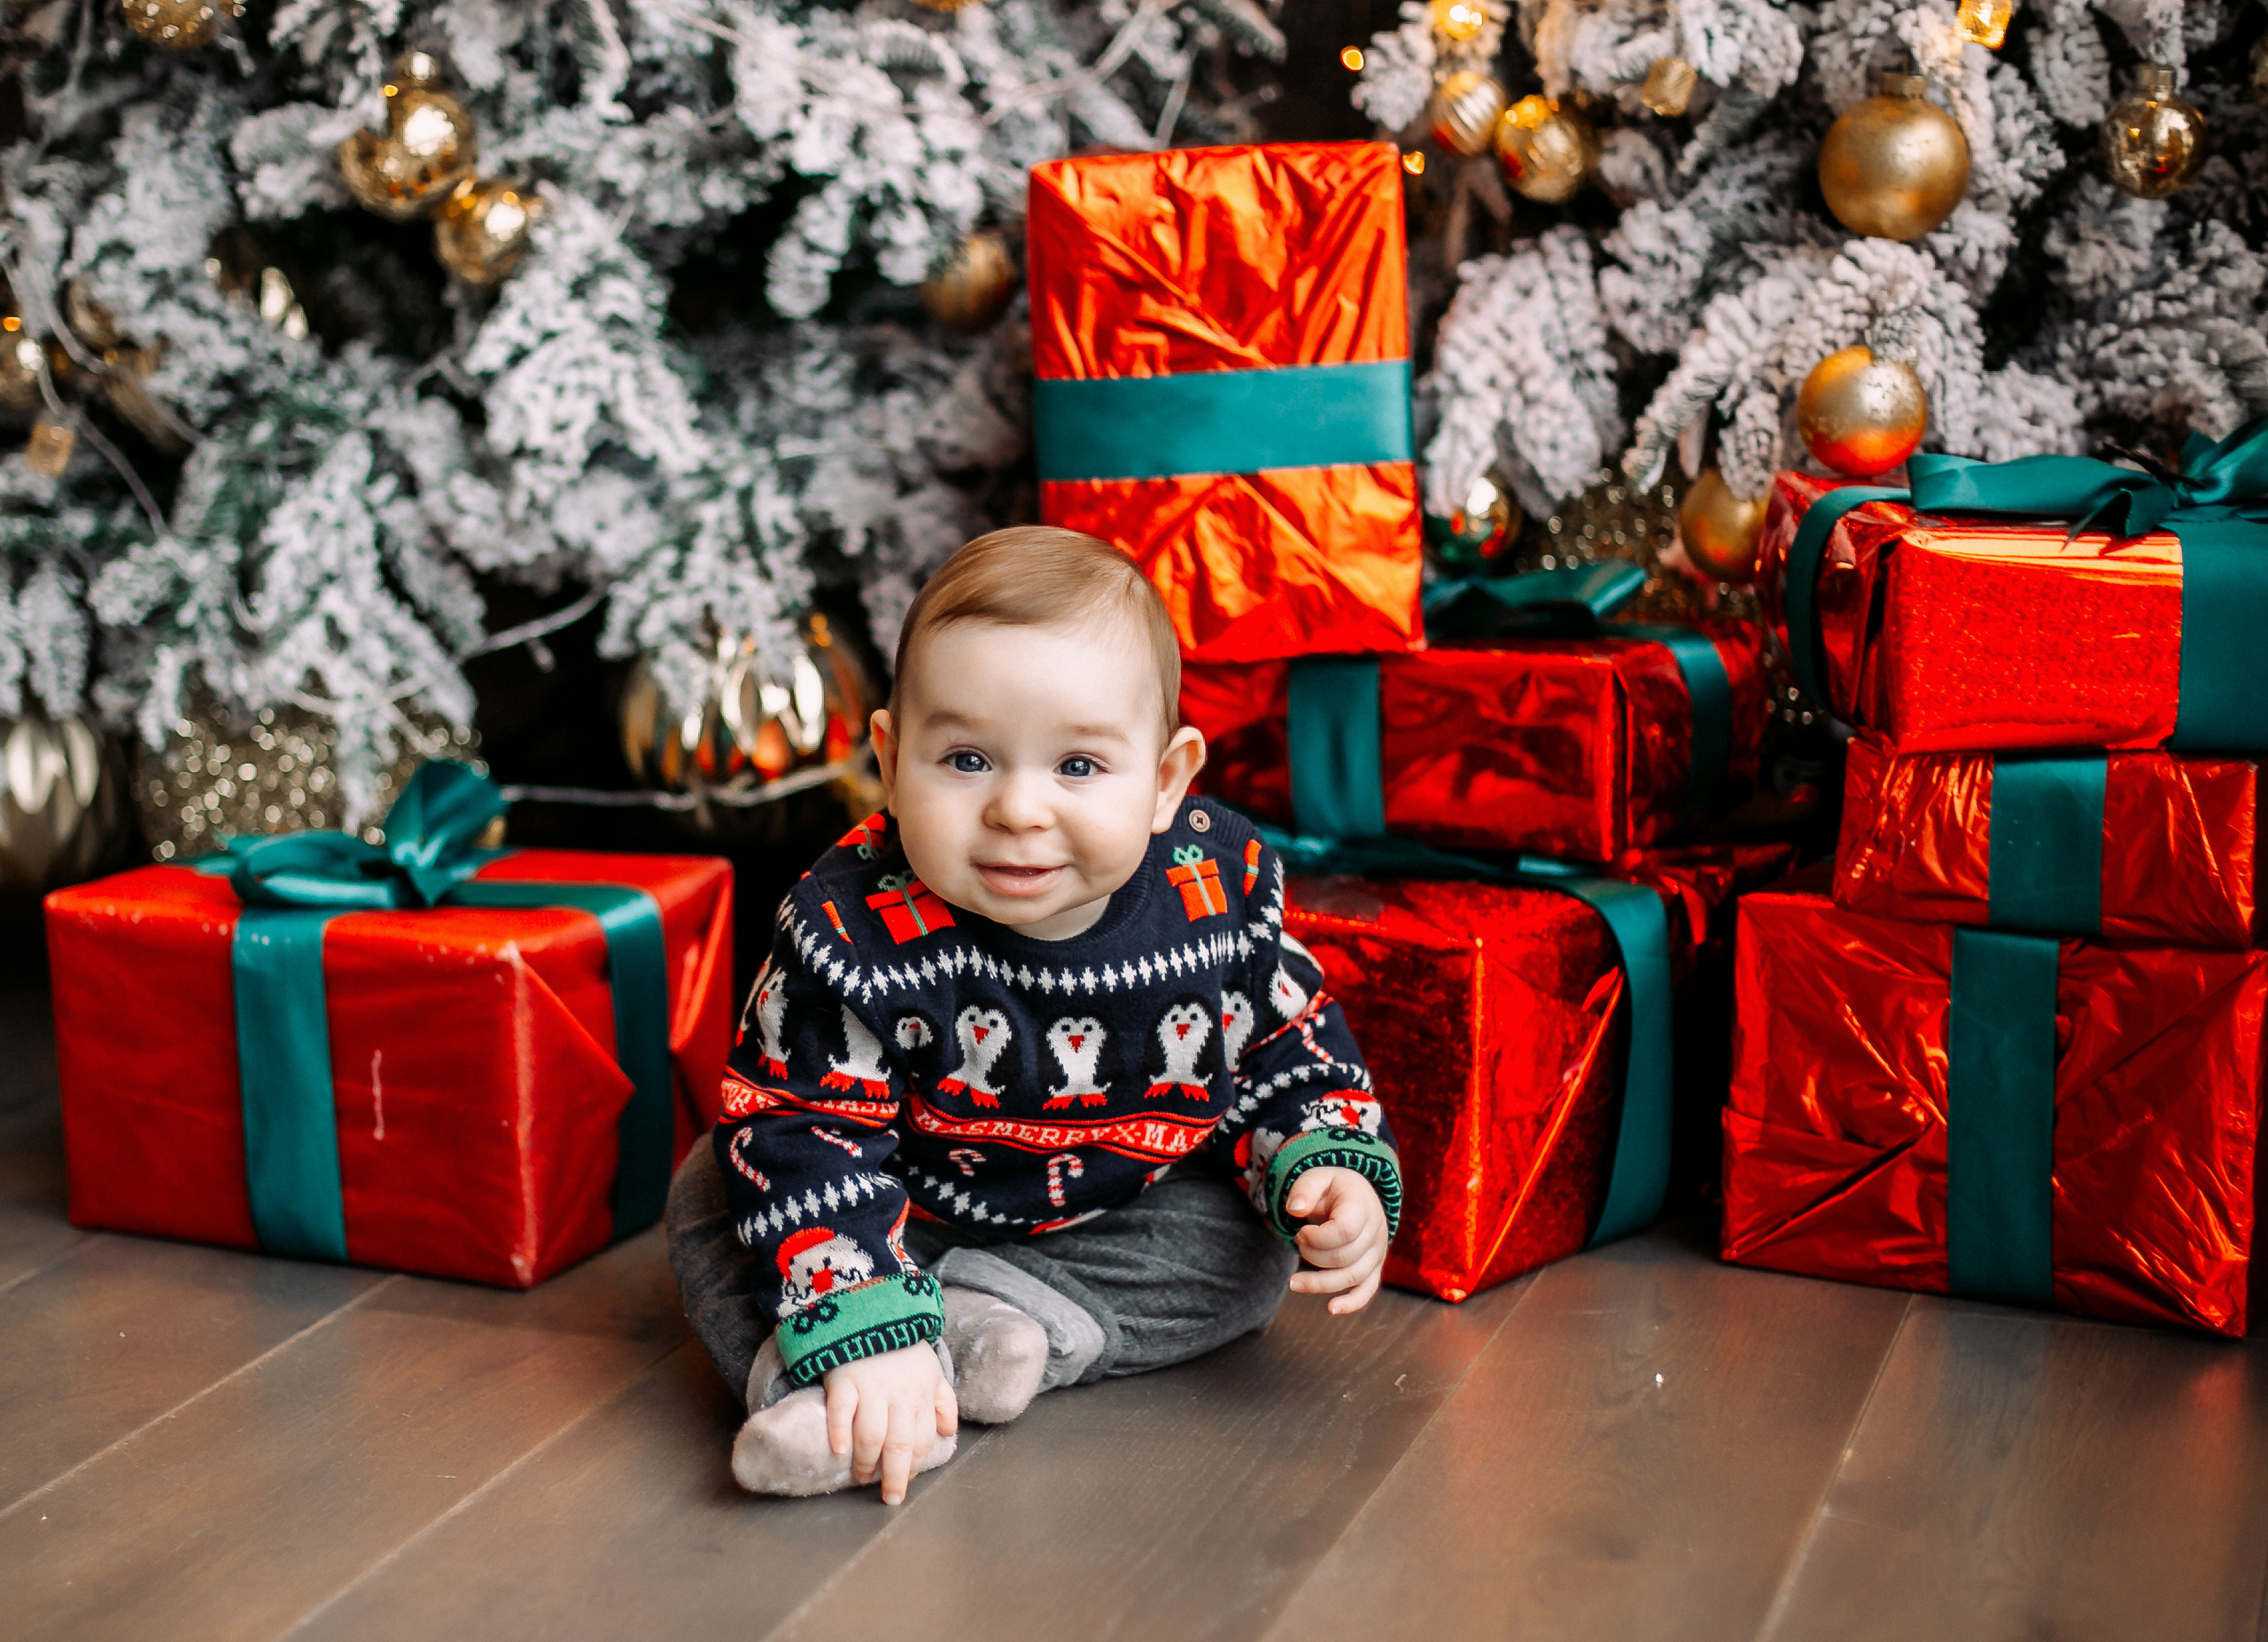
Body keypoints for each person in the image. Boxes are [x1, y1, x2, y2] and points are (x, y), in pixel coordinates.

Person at [665, 525, 1402, 1505]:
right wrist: (855, 1312)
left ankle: (997, 1331)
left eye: (1079, 767)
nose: (1018, 807)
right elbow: (805, 1128)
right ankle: (825, 1387)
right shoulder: (849, 929)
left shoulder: (1219, 894)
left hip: (1122, 1210)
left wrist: (1328, 1164)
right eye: (966, 758)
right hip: (907, 1210)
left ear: (1167, 781)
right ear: (890, 759)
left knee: (1246, 1253)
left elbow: (1285, 1040)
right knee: (715, 1187)